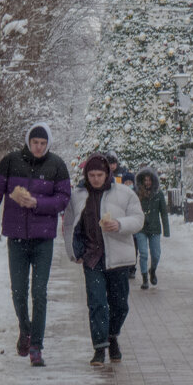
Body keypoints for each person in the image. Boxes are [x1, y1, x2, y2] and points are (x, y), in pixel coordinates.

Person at [0, 122, 71, 367]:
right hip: (17, 237)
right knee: (18, 291)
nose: (39, 148)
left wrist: (37, 203)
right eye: (35, 143)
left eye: (43, 144)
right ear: (28, 142)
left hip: (43, 240)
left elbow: (63, 199)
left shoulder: (57, 165)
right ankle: (25, 329)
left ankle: (36, 346)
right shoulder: (10, 162)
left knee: (39, 293)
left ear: (48, 144)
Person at [64, 153, 144, 367]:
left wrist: (119, 224)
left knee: (120, 305)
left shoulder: (125, 193)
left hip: (118, 258)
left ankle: (112, 336)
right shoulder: (79, 195)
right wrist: (74, 251)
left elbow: (138, 219)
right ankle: (99, 348)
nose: (96, 179)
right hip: (92, 258)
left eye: (100, 174)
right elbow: (71, 225)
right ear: (86, 175)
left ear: (107, 173)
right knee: (97, 303)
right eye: (92, 175)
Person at [133, 167, 170, 290]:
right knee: (143, 253)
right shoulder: (137, 193)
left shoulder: (158, 194)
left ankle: (152, 270)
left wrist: (166, 230)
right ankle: (144, 278)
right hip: (141, 227)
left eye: (149, 180)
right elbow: (132, 210)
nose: (147, 182)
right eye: (145, 180)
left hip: (154, 228)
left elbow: (163, 212)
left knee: (156, 254)